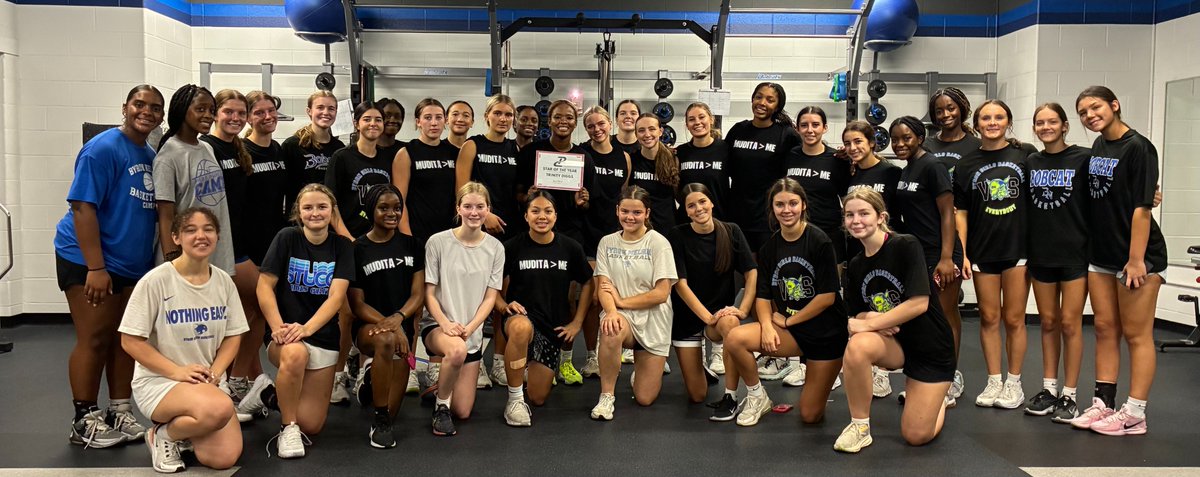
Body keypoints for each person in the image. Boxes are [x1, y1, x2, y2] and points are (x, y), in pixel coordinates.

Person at [55, 84, 164, 448]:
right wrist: (96, 267)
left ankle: (120, 410)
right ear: (125, 107)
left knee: (125, 340)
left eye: (154, 107)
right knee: (95, 337)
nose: (146, 111)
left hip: (131, 264)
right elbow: (82, 207)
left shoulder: (148, 154)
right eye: (139, 104)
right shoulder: (102, 149)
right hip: (89, 259)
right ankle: (84, 419)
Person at [1069, 86, 1167, 435]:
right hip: (1103, 254)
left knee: (1137, 335)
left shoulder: (1139, 147)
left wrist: (1136, 260)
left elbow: (1142, 208)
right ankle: (1104, 403)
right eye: (1082, 112)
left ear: (1114, 105)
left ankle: (1135, 413)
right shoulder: (1099, 145)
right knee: (1105, 328)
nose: (1089, 115)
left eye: (1095, 107)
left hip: (1137, 257)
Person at [120, 207, 248, 472]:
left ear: (218, 236)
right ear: (176, 237)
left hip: (206, 384)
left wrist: (216, 372)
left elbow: (234, 335)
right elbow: (130, 341)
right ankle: (163, 435)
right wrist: (178, 372)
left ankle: (186, 431)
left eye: (208, 229)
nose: (200, 236)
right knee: (220, 408)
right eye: (191, 230)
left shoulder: (223, 281)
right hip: (161, 382)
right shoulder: (155, 281)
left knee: (222, 458)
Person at [719, 178, 846, 427]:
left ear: (804, 205)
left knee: (810, 416)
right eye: (780, 204)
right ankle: (757, 396)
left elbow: (827, 297)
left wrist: (788, 320)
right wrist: (766, 325)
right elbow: (763, 296)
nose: (786, 210)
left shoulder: (819, 241)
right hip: (790, 332)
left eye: (792, 203)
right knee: (735, 338)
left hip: (825, 333)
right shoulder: (770, 248)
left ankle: (818, 376)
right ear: (772, 208)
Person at [837, 188, 956, 453]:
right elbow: (855, 313)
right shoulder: (855, 264)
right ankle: (860, 427)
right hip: (896, 345)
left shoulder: (906, 245)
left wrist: (870, 323)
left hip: (930, 349)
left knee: (915, 435)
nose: (856, 220)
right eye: (850, 215)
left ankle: (940, 399)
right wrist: (874, 318)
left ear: (881, 217)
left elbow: (918, 303)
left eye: (864, 213)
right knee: (858, 347)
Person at [257, 184, 354, 458]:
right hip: (285, 334)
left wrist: (308, 328)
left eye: (322, 207)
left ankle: (268, 394)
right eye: (308, 207)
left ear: (332, 211)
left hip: (321, 335)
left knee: (311, 424)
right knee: (296, 355)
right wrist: (277, 327)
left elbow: (336, 297)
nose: (315, 213)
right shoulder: (287, 238)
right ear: (298, 213)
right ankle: (287, 428)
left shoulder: (342, 246)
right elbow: (264, 286)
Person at [953, 99, 1037, 410]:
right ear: (976, 123)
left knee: (1014, 318)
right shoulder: (966, 164)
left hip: (1017, 248)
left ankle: (1013, 382)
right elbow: (960, 213)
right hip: (982, 249)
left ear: (1008, 121)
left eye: (999, 117)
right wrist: (961, 252)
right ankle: (993, 380)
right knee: (989, 317)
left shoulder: (1026, 154)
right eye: (986, 117)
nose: (992, 122)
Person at [495, 191, 594, 426]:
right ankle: (515, 400)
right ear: (526, 216)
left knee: (538, 397)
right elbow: (491, 287)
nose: (542, 216)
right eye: (535, 211)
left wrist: (577, 322)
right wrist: (504, 305)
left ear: (556, 216)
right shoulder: (511, 247)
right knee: (519, 328)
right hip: (521, 319)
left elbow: (589, 282)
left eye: (548, 211)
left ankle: (524, 367)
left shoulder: (570, 247)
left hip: (552, 326)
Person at [889, 115, 965, 404]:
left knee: (945, 317)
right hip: (920, 251)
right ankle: (926, 379)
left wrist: (947, 258)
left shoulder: (933, 166)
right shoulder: (908, 169)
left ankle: (948, 381)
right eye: (895, 139)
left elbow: (948, 213)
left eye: (906, 137)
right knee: (924, 317)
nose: (899, 144)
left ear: (920, 138)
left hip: (941, 252)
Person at [1020, 103, 1089, 422]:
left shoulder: (1084, 158)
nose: (1045, 127)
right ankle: (1049, 388)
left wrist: (1150, 195)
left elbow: (1110, 191)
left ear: (1064, 126)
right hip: (1041, 252)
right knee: (1048, 322)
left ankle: (1070, 394)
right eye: (1039, 122)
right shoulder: (1031, 160)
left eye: (1052, 122)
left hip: (1075, 251)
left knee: (1071, 323)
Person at [420, 182, 505, 436]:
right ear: (458, 208)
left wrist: (471, 327)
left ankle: (441, 387)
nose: (474, 212)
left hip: (471, 332)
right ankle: (441, 408)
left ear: (488, 209)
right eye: (467, 206)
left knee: (464, 411)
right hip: (438, 327)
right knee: (455, 350)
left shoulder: (495, 248)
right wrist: (446, 324)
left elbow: (491, 297)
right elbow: (429, 294)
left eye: (480, 207)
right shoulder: (437, 242)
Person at [347, 184, 425, 448]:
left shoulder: (413, 245)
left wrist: (399, 318)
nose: (392, 213)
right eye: (384, 208)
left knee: (395, 411)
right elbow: (357, 305)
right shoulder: (358, 249)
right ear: (371, 211)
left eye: (396, 208)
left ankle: (373, 380)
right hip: (369, 328)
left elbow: (418, 294)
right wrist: (393, 326)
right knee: (385, 342)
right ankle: (378, 420)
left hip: (399, 325)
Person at [324, 101, 392, 403]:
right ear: (356, 123)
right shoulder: (342, 157)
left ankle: (366, 368)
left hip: (377, 242)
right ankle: (337, 377)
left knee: (374, 306)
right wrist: (346, 237)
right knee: (347, 312)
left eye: (378, 120)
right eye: (368, 119)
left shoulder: (388, 157)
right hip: (348, 242)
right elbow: (332, 202)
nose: (373, 124)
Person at [590, 186, 678, 421]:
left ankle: (641, 370)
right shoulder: (607, 243)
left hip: (654, 318)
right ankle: (607, 396)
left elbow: (661, 293)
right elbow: (604, 287)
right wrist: (612, 311)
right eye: (625, 211)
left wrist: (622, 301)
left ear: (647, 213)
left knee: (644, 398)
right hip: (622, 316)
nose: (630, 217)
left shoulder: (659, 243)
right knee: (611, 327)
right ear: (617, 211)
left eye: (637, 212)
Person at [669, 184, 757, 409]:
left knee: (732, 323)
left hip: (719, 318)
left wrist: (744, 309)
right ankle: (701, 369)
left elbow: (751, 271)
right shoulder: (677, 235)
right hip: (687, 320)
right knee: (698, 395)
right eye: (691, 205)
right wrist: (706, 317)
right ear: (686, 211)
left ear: (711, 203)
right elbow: (681, 284)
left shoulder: (731, 231)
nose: (698, 208)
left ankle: (732, 394)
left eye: (702, 202)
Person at [155, 85, 236, 277]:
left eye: (211, 110)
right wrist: (172, 261)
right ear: (182, 110)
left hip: (215, 249)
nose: (208, 115)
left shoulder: (207, 147)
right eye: (200, 109)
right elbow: (165, 214)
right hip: (185, 255)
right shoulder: (168, 156)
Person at [579, 105, 632, 378]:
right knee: (593, 298)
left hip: (616, 236)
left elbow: (625, 195)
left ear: (610, 124)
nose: (597, 129)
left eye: (601, 124)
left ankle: (616, 347)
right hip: (588, 231)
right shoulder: (581, 153)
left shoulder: (624, 157)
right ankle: (591, 355)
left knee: (615, 294)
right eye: (590, 126)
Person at [726, 82, 800, 253]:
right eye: (758, 97)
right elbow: (720, 158)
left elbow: (808, 153)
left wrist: (839, 154)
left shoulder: (786, 134)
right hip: (737, 213)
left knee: (765, 269)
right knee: (741, 270)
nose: (762, 103)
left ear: (777, 107)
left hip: (767, 216)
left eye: (770, 100)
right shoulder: (738, 130)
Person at [456, 94, 521, 243]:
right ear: (487, 116)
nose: (503, 119)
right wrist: (484, 215)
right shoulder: (472, 145)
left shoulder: (514, 148)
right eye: (497, 113)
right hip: (479, 222)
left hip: (509, 224)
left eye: (508, 114)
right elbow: (461, 190)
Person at [395, 98, 459, 242]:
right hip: (418, 233)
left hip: (450, 234)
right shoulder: (406, 153)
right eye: (428, 118)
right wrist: (408, 239)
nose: (434, 123)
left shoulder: (455, 153)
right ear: (418, 122)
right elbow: (399, 201)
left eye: (439, 117)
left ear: (446, 121)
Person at [282, 91, 345, 213]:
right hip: (299, 217)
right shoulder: (292, 145)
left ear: (336, 113)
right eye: (320, 107)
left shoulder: (339, 148)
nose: (326, 112)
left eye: (331, 109)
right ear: (309, 111)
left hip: (328, 216)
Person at [675, 103, 730, 222]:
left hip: (719, 220)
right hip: (687, 221)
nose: (697, 122)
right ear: (687, 125)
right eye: (691, 119)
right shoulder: (680, 152)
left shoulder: (725, 149)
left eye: (701, 117)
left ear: (711, 119)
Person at [631, 113, 681, 231]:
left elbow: (679, 195)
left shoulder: (673, 159)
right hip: (639, 229)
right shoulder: (631, 160)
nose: (647, 134)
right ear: (636, 134)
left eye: (652, 129)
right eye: (641, 130)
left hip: (668, 229)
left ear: (660, 131)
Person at [925, 87, 981, 180]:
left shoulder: (977, 145)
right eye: (939, 111)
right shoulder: (925, 145)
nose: (945, 114)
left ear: (961, 109)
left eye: (951, 109)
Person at [375, 98, 407, 163]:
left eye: (397, 116)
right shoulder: (367, 150)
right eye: (387, 116)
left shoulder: (407, 150)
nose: (392, 120)